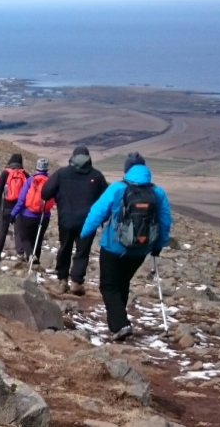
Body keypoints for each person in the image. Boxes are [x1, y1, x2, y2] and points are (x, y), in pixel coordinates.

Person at [81, 152, 172, 342]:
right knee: (122, 283)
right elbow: (165, 222)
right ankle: (120, 320)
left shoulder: (117, 188)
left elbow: (97, 212)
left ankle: (120, 325)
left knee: (108, 285)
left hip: (113, 247)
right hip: (141, 248)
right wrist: (158, 245)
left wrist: (85, 233)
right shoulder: (157, 192)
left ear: (126, 169)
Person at [42, 146, 108, 295]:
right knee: (82, 251)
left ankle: (62, 280)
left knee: (65, 247)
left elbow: (46, 193)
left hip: (66, 218)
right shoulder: (97, 176)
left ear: (73, 157)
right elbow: (105, 200)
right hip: (88, 220)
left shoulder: (62, 173)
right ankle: (76, 282)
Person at [10, 158, 53, 266]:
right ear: (46, 169)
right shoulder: (51, 181)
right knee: (38, 239)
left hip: (28, 215)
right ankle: (36, 262)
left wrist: (13, 214)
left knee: (25, 237)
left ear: (37, 168)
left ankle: (30, 255)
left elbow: (21, 199)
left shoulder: (31, 180)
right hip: (44, 215)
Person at [0, 153, 28, 261]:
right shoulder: (25, 174)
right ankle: (20, 254)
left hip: (6, 206)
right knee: (18, 231)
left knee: (2, 230)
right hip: (20, 207)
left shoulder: (5, 173)